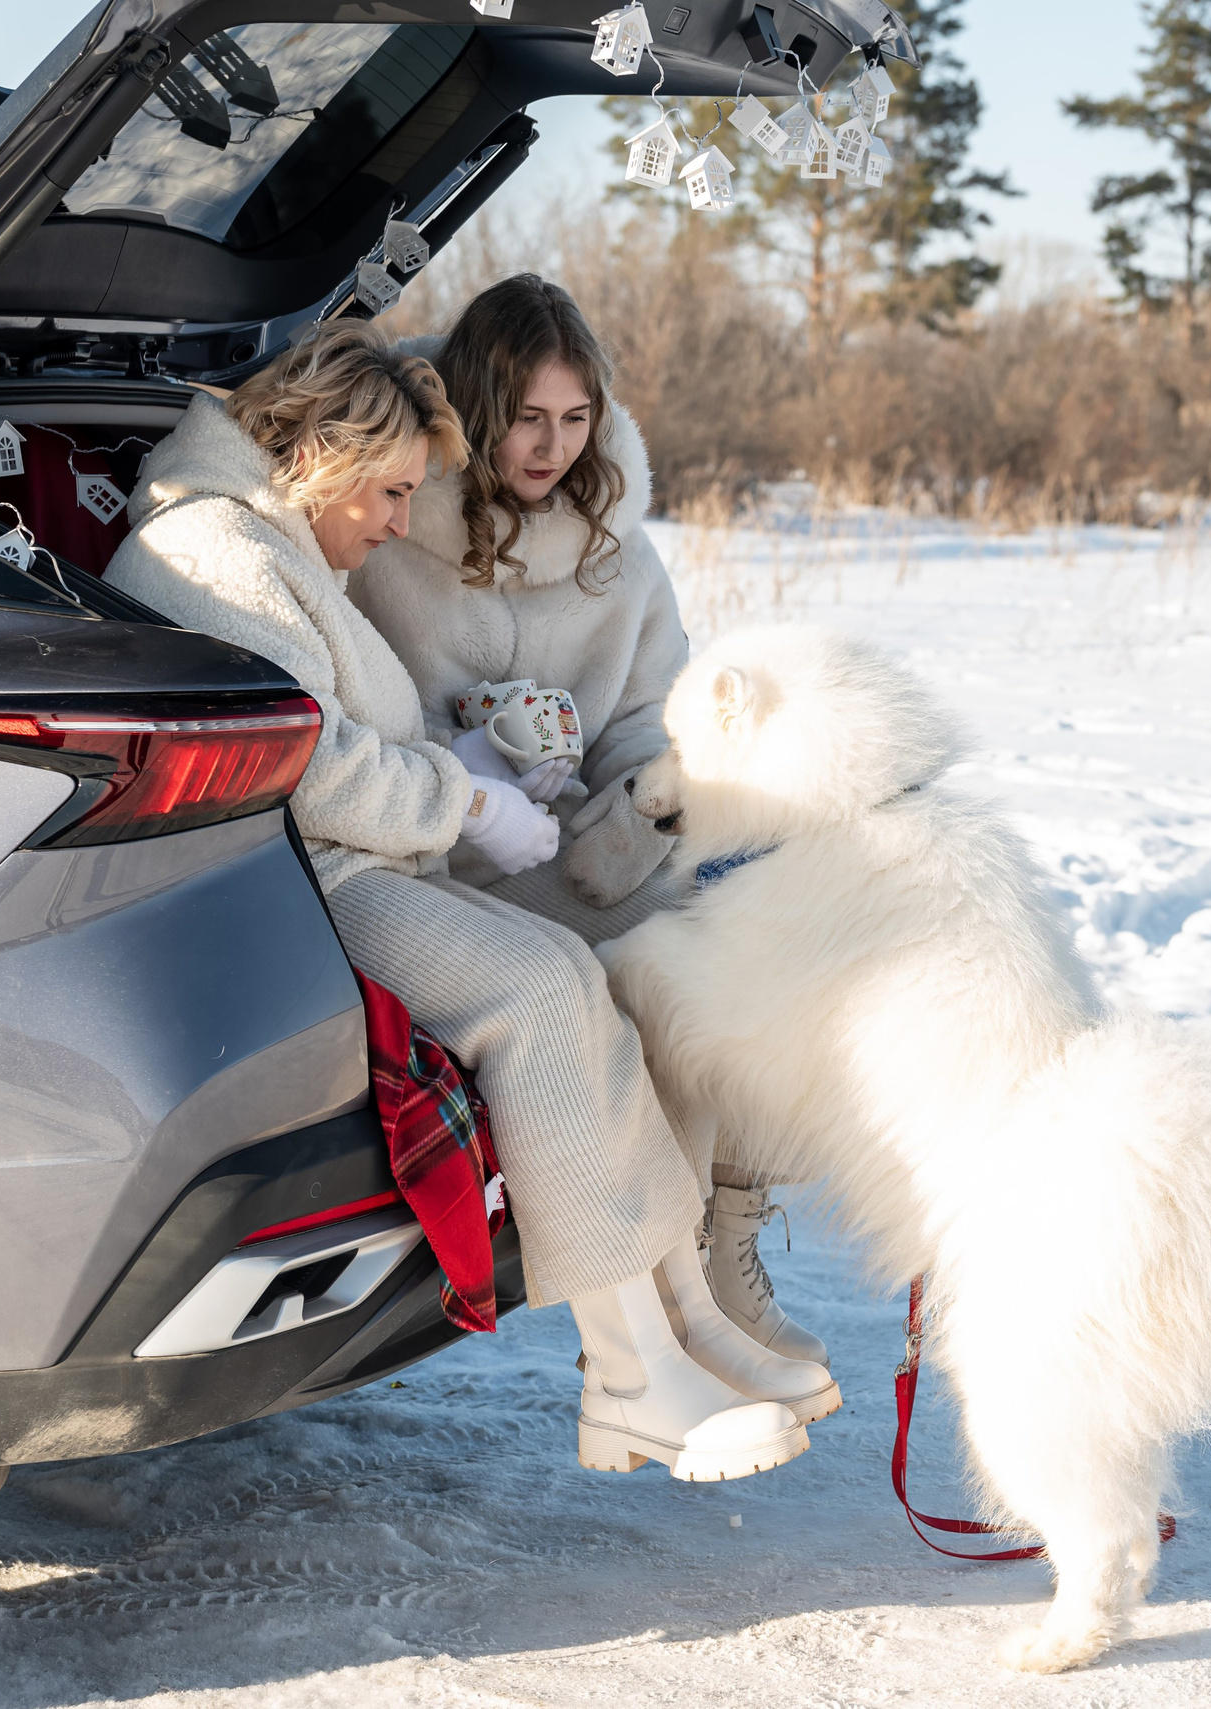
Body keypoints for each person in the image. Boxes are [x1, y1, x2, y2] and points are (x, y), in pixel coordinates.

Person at [103, 320, 835, 1482]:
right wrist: (468, 799)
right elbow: (315, 766)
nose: (401, 523)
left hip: (356, 860)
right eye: (392, 491)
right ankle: (631, 1377)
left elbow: (340, 736)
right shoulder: (221, 553)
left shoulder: (274, 539)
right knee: (535, 989)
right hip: (303, 880)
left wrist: (476, 773)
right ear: (323, 459)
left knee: (580, 972)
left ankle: (686, 1319)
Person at [349, 275, 827, 1368]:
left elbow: (646, 718)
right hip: (448, 850)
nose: (552, 447)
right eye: (526, 417)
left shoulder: (617, 547)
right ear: (476, 406)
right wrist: (474, 767)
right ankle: (660, 1300)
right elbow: (370, 717)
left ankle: (718, 1247)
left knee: (735, 940)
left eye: (575, 419)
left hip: (585, 839)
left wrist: (655, 804)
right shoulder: (392, 524)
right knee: (654, 960)